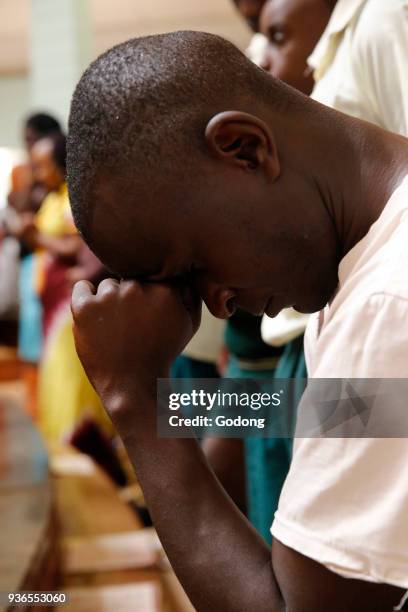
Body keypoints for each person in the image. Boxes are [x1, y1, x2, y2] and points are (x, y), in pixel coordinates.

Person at [68, 32, 408, 610]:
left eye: (196, 266)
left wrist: (134, 399)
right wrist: (171, 404)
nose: (218, 305)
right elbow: (338, 409)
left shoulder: (387, 305)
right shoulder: (358, 264)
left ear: (245, 148)